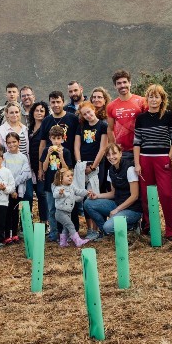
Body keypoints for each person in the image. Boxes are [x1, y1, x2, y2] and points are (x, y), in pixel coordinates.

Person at [133, 84, 172, 241]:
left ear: (162, 99)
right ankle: (150, 227)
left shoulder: (167, 116)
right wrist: (137, 163)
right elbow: (137, 142)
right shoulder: (141, 118)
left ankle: (171, 229)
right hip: (145, 160)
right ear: (147, 99)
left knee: (166, 194)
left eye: (157, 96)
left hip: (162, 159)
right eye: (151, 96)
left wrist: (169, 157)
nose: (153, 99)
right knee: (146, 196)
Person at [83, 143, 142, 237]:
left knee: (109, 226)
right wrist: (97, 195)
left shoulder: (130, 169)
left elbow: (134, 196)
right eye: (108, 155)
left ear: (120, 153)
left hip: (133, 210)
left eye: (114, 153)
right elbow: (113, 193)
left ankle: (133, 226)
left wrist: (117, 209)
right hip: (117, 204)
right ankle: (105, 232)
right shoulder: (110, 170)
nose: (111, 157)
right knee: (88, 203)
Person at [106, 70, 148, 199]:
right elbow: (110, 128)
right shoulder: (111, 106)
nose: (122, 85)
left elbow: (147, 124)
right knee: (128, 185)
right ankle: (133, 216)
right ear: (115, 86)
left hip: (141, 149)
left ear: (130, 83)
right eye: (119, 83)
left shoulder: (141, 101)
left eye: (125, 82)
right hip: (124, 152)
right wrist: (114, 149)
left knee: (144, 184)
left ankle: (146, 217)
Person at [74, 101, 108, 240]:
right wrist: (80, 164)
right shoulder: (81, 126)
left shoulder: (103, 126)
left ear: (94, 109)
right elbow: (77, 146)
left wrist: (93, 166)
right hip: (82, 165)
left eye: (89, 112)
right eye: (84, 114)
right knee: (84, 196)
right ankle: (89, 229)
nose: (88, 115)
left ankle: (98, 228)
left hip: (97, 165)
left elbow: (103, 148)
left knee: (95, 194)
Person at [39, 125, 72, 241]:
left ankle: (64, 234)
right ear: (50, 138)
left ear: (63, 138)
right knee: (51, 209)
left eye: (58, 138)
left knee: (62, 209)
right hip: (49, 185)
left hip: (62, 185)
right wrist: (48, 155)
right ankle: (53, 233)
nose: (56, 141)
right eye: (54, 138)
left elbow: (67, 169)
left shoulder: (66, 151)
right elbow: (44, 168)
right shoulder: (46, 150)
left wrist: (61, 157)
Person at [2, 132, 31, 243]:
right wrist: (10, 189)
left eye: (14, 142)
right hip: (7, 191)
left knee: (15, 212)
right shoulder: (4, 156)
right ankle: (7, 234)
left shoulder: (23, 157)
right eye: (9, 143)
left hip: (18, 190)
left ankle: (14, 233)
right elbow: (4, 173)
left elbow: (26, 173)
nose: (11, 144)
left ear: (19, 142)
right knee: (7, 212)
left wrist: (14, 187)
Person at [52, 169, 90, 247]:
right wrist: (60, 193)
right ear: (60, 178)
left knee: (66, 228)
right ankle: (78, 240)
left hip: (68, 212)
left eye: (71, 176)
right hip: (60, 213)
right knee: (70, 225)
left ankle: (63, 242)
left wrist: (86, 192)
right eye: (67, 176)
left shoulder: (72, 187)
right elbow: (55, 195)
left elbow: (78, 191)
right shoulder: (58, 187)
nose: (70, 177)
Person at [37, 91, 79, 160]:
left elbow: (78, 142)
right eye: (53, 102)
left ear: (63, 102)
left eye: (58, 102)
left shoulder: (73, 119)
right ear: (50, 103)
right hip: (50, 163)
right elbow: (42, 145)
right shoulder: (46, 121)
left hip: (69, 163)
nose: (56, 105)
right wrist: (41, 168)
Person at [27, 101, 49, 222]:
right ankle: (27, 222)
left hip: (42, 166)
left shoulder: (46, 128)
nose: (39, 113)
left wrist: (42, 168)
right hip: (30, 166)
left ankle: (45, 221)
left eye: (42, 110)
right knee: (29, 195)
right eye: (37, 110)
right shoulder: (29, 128)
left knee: (41, 193)